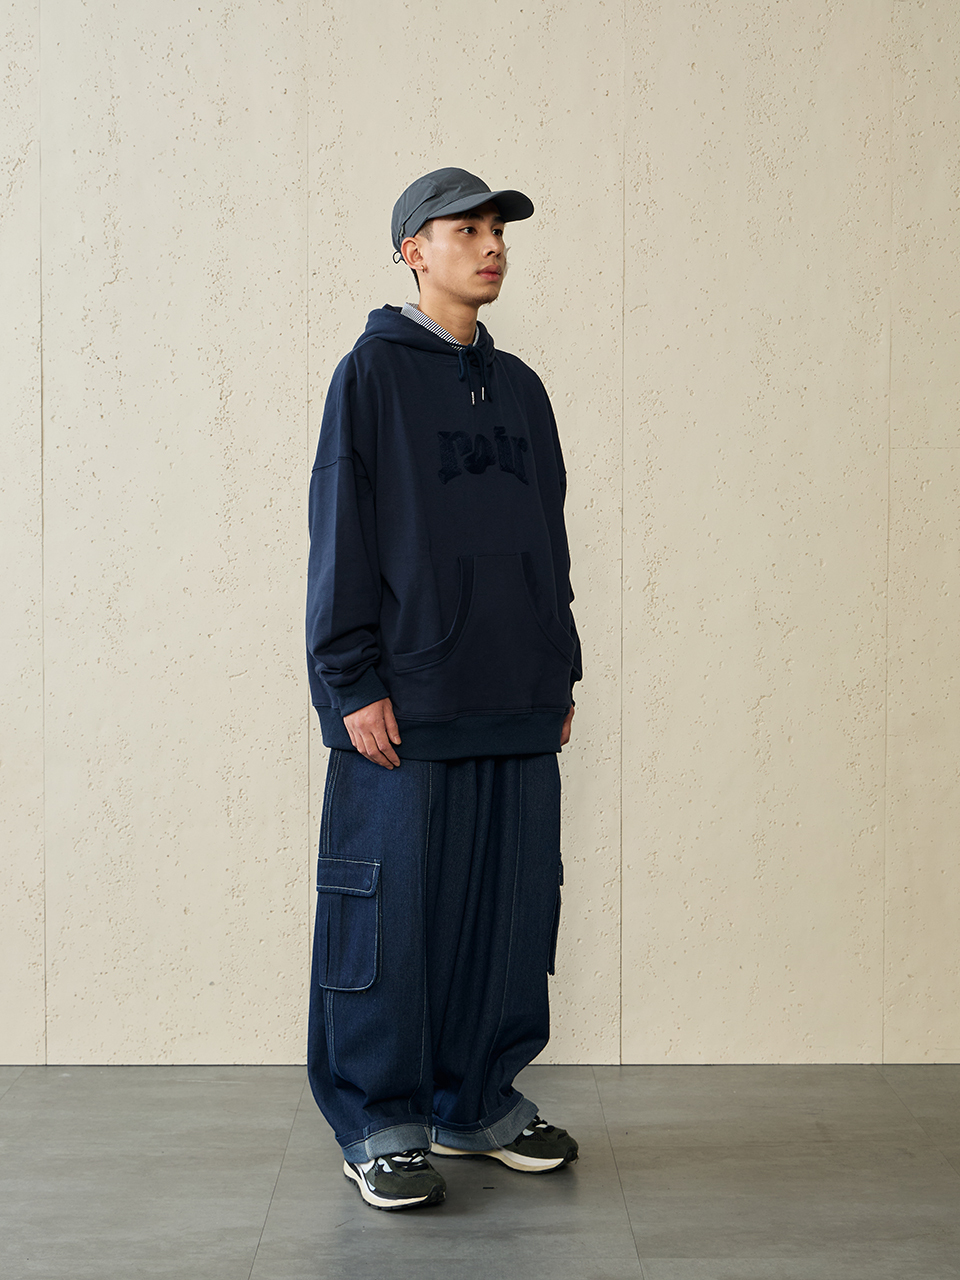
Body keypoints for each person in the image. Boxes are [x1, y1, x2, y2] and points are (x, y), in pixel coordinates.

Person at [305, 167, 581, 1211]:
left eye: (498, 229)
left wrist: (559, 663)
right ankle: (380, 1121)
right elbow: (342, 532)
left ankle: (478, 1102)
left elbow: (549, 538)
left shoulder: (523, 390)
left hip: (516, 695)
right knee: (391, 922)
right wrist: (350, 683)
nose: (492, 245)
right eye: (466, 229)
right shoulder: (370, 376)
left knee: (509, 916)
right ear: (413, 250)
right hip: (406, 705)